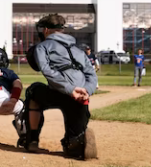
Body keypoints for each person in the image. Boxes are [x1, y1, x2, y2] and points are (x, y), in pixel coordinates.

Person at [15, 14, 98, 160]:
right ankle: (78, 140)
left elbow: (47, 71)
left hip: (60, 92)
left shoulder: (42, 47)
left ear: (46, 29)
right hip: (80, 96)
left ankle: (32, 139)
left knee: (33, 91)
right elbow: (91, 74)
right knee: (73, 144)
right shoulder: (79, 51)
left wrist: (70, 89)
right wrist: (87, 91)